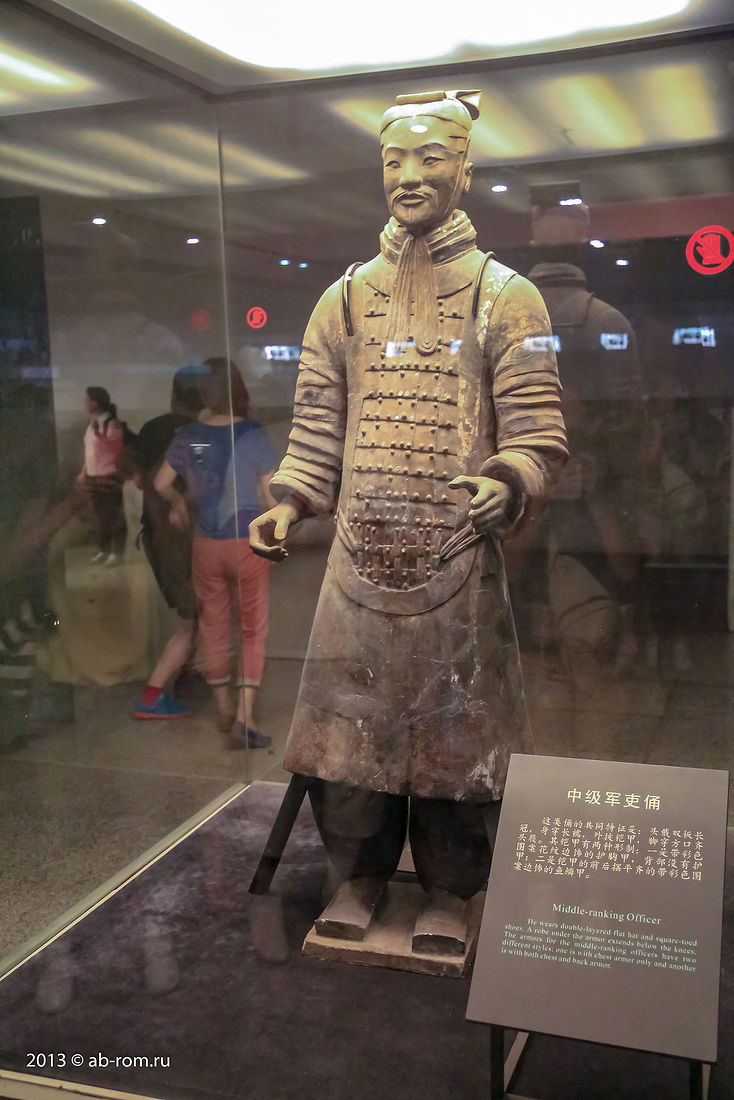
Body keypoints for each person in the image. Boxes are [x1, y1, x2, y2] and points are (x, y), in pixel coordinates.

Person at [249, 89, 567, 954]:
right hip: (356, 563)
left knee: (455, 741)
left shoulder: (508, 296)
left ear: (465, 167)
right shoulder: (345, 299)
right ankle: (355, 879)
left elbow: (537, 430)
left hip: (456, 562)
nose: (410, 176)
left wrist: (509, 481)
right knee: (347, 743)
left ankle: (450, 893)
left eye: (431, 158)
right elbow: (318, 424)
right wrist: (290, 501)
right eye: (394, 161)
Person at [155, 359, 278, 748]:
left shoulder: (188, 434)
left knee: (213, 625)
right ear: (238, 388)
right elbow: (271, 497)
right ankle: (246, 714)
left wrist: (178, 503)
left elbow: (160, 483)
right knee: (253, 627)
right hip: (246, 541)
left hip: (205, 542)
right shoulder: (253, 432)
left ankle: (224, 706)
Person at [133, 366, 206, 719]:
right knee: (191, 621)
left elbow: (139, 480)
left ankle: (183, 678)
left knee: (192, 616)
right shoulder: (197, 434)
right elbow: (202, 485)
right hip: (181, 540)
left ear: (173, 395)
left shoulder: (151, 430)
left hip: (153, 536)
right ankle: (152, 694)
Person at [77, 386, 127, 566]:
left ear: (96, 402)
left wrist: (99, 432)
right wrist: (84, 471)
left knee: (114, 515)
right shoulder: (91, 424)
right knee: (100, 517)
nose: (85, 403)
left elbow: (115, 447)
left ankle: (117, 552)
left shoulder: (111, 423)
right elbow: (91, 451)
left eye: (88, 400)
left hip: (109, 476)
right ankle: (104, 549)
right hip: (93, 476)